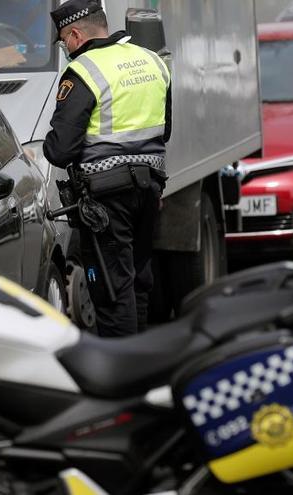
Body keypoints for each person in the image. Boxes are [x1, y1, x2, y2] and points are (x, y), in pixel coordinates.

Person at [44, 0, 171, 338]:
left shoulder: (84, 71)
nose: (65, 48)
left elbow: (60, 150)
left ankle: (122, 374)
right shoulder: (152, 61)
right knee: (138, 281)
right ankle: (139, 359)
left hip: (106, 199)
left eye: (63, 41)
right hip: (150, 189)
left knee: (112, 291)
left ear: (75, 34)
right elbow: (164, 131)